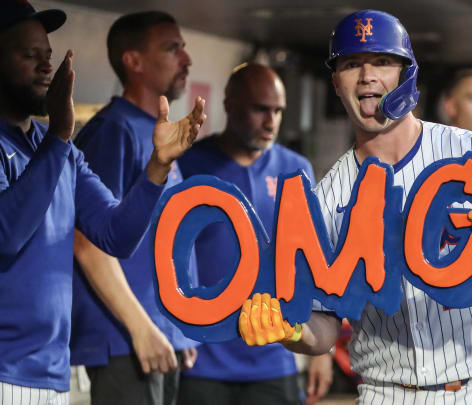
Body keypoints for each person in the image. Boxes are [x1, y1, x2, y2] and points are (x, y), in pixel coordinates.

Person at [235, 10, 472, 404]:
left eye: (383, 62)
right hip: (387, 392)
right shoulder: (326, 199)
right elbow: (326, 328)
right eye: (353, 64)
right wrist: (291, 330)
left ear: (407, 74)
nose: (368, 76)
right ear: (336, 82)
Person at [0, 2, 204, 404]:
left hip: (51, 372)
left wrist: (156, 169)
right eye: (29, 55)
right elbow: (6, 235)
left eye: (49, 56)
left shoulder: (55, 149)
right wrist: (59, 135)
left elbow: (116, 235)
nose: (46, 67)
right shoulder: (53, 145)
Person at [176, 63, 333, 405]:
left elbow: (310, 263)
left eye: (278, 111)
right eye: (261, 109)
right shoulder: (187, 165)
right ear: (230, 104)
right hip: (201, 360)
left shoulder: (296, 170)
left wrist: (321, 352)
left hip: (273, 357)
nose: (271, 121)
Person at [69, 11, 200, 405]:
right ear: (134, 61)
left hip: (159, 335)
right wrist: (142, 328)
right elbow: (87, 240)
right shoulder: (114, 129)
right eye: (171, 48)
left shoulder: (157, 132)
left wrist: (177, 326)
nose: (186, 59)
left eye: (184, 47)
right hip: (126, 339)